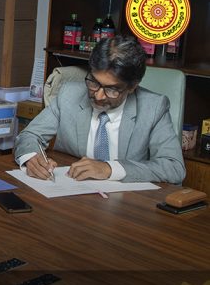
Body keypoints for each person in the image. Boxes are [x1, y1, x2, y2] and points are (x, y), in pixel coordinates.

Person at [14, 35, 185, 184]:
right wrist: (31, 157)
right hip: (71, 191)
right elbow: (30, 135)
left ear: (132, 87)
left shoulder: (153, 107)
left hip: (126, 201)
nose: (99, 96)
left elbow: (174, 167)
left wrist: (109, 169)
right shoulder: (69, 94)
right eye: (94, 82)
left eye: (112, 89)